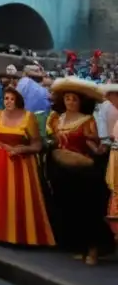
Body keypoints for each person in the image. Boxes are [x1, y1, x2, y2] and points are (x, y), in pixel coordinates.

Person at [45, 78, 109, 266]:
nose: (70, 102)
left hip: (81, 171)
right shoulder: (57, 119)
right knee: (69, 208)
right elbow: (55, 140)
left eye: (74, 99)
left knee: (86, 210)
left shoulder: (86, 120)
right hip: (60, 169)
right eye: (67, 98)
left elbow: (91, 144)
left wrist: (100, 149)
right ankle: (80, 246)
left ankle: (94, 249)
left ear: (81, 101)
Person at [0, 86, 53, 246]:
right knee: (0, 197)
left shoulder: (29, 117)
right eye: (6, 98)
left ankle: (23, 236)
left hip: (22, 165)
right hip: (0, 163)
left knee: (20, 198)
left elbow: (37, 145)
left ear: (18, 100)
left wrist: (21, 149)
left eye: (12, 99)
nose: (8, 102)